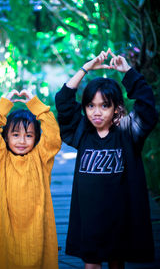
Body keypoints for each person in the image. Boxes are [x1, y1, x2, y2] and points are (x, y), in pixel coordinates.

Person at [55, 48, 158, 269]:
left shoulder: (128, 132)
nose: (96, 112)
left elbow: (147, 105)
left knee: (116, 262)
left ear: (116, 108)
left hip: (120, 216)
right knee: (91, 264)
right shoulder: (82, 130)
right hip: (89, 216)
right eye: (90, 106)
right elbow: (63, 100)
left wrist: (127, 71)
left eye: (104, 105)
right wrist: (85, 68)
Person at [0, 88, 61, 269]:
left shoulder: (42, 158)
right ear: (6, 137)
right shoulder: (0, 160)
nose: (22, 141)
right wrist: (2, 108)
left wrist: (36, 106)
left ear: (36, 138)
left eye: (29, 135)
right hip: (8, 229)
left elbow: (53, 135)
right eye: (15, 135)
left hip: (37, 231)